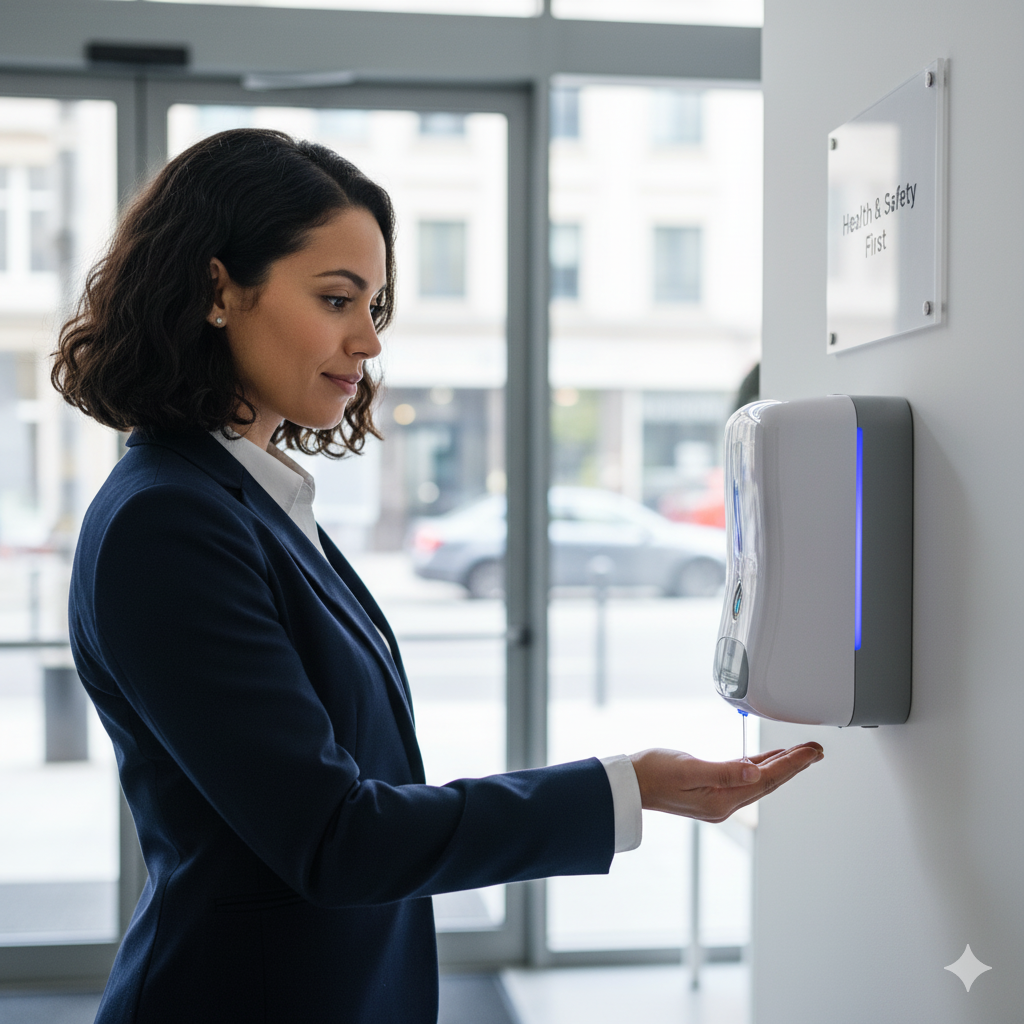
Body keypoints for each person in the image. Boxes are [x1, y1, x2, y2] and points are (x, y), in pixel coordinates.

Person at [53, 129, 823, 1024]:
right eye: (337, 299)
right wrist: (630, 785)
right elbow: (338, 837)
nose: (368, 340)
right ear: (218, 289)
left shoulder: (244, 496)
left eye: (375, 304)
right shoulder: (170, 520)